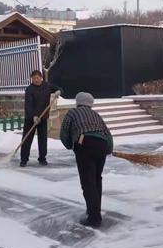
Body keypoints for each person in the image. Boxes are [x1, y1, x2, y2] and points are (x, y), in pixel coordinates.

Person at [60, 92, 113, 228]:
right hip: (101, 144)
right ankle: (94, 210)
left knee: (88, 182)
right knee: (96, 179)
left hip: (85, 144)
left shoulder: (72, 112)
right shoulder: (96, 115)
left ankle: (94, 217)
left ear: (78, 102)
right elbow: (108, 134)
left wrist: (70, 145)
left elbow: (64, 131)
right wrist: (108, 149)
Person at [20, 70, 62, 167]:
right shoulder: (29, 90)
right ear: (32, 79)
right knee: (27, 140)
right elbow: (28, 105)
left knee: (43, 139)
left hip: (43, 118)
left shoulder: (47, 86)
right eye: (34, 78)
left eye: (37, 78)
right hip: (31, 119)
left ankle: (42, 158)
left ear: (41, 77)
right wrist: (33, 116)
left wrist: (58, 91)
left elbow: (58, 88)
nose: (36, 80)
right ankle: (24, 159)